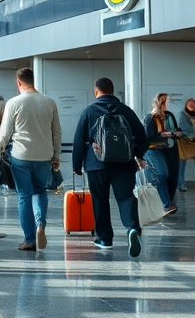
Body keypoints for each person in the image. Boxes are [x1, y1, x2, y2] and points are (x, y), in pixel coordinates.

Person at [71, 78, 148, 256]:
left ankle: (105, 239)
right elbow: (143, 138)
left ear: (96, 91)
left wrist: (77, 165)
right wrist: (135, 153)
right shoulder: (126, 111)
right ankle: (132, 229)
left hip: (96, 164)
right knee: (126, 198)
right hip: (124, 163)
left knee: (100, 200)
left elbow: (78, 141)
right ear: (112, 91)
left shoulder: (89, 112)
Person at [0, 68, 61, 252]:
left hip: (21, 155)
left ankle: (30, 239)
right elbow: (56, 131)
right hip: (44, 156)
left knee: (24, 195)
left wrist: (0, 150)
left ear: (18, 83)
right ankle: (40, 223)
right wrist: (56, 155)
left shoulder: (14, 103)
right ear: (33, 81)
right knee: (40, 190)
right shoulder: (49, 102)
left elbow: (5, 131)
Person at [143, 93, 182, 216]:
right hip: (154, 149)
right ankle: (165, 204)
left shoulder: (169, 116)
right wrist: (162, 135)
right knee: (161, 173)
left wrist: (177, 133)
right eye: (167, 101)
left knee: (171, 176)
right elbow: (148, 136)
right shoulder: (151, 117)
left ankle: (168, 202)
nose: (169, 103)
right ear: (161, 103)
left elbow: (176, 129)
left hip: (170, 148)